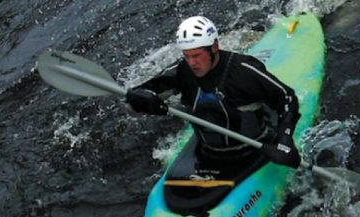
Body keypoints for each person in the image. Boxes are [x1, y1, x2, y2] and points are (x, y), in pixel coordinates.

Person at [125, 16, 302, 169]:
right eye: (187, 56)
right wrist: (142, 99)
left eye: (197, 55)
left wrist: (284, 139)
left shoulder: (244, 71)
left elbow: (288, 99)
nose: (192, 63)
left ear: (214, 47)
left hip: (253, 148)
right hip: (208, 152)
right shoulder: (183, 71)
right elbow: (137, 97)